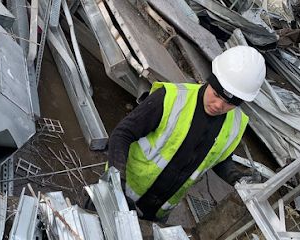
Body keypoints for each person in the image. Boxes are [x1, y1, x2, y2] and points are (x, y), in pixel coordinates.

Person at [107, 46, 266, 221]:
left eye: (230, 103)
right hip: (122, 192)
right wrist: (117, 181)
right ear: (210, 80)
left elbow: (219, 156)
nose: (219, 106)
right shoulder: (171, 98)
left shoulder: (236, 124)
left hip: (157, 212)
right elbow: (122, 134)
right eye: (217, 94)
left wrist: (233, 175)